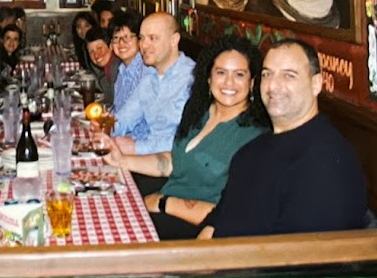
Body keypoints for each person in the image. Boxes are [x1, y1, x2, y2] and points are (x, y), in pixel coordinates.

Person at [103, 36, 269, 239]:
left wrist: (163, 203)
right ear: (208, 77)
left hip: (197, 228)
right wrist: (122, 161)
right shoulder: (199, 112)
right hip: (163, 204)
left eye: (239, 74)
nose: (229, 82)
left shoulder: (255, 136)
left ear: (252, 83)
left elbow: (234, 214)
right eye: (221, 72)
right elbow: (176, 161)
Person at [199, 38, 367, 238]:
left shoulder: (327, 161)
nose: (273, 85)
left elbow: (300, 253)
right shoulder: (250, 152)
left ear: (316, 84)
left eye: (289, 75)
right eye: (267, 74)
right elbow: (216, 221)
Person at [109, 12, 195, 155]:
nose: (144, 45)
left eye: (153, 38)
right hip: (148, 158)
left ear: (174, 40)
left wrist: (136, 147)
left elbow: (188, 140)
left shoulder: (191, 79)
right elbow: (124, 119)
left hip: (178, 162)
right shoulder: (149, 78)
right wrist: (104, 128)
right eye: (142, 38)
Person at [109, 11, 145, 107]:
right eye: (116, 38)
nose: (121, 43)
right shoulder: (122, 70)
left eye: (127, 37)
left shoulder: (144, 72)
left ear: (139, 40)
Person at [84, 27, 119, 106]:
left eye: (99, 48)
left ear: (110, 46)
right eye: (91, 52)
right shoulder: (106, 69)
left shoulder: (118, 69)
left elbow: (113, 103)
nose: (96, 55)